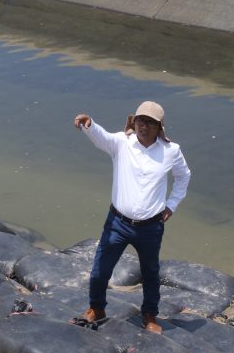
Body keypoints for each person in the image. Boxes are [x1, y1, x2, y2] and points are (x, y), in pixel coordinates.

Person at [73, 101, 191, 334]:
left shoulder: (171, 151)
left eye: (149, 123)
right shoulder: (121, 143)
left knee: (150, 273)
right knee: (100, 270)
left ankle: (149, 315)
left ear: (159, 127)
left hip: (150, 227)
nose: (143, 126)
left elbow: (183, 177)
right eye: (140, 121)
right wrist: (89, 124)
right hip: (117, 223)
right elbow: (101, 137)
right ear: (133, 122)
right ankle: (96, 308)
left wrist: (171, 205)